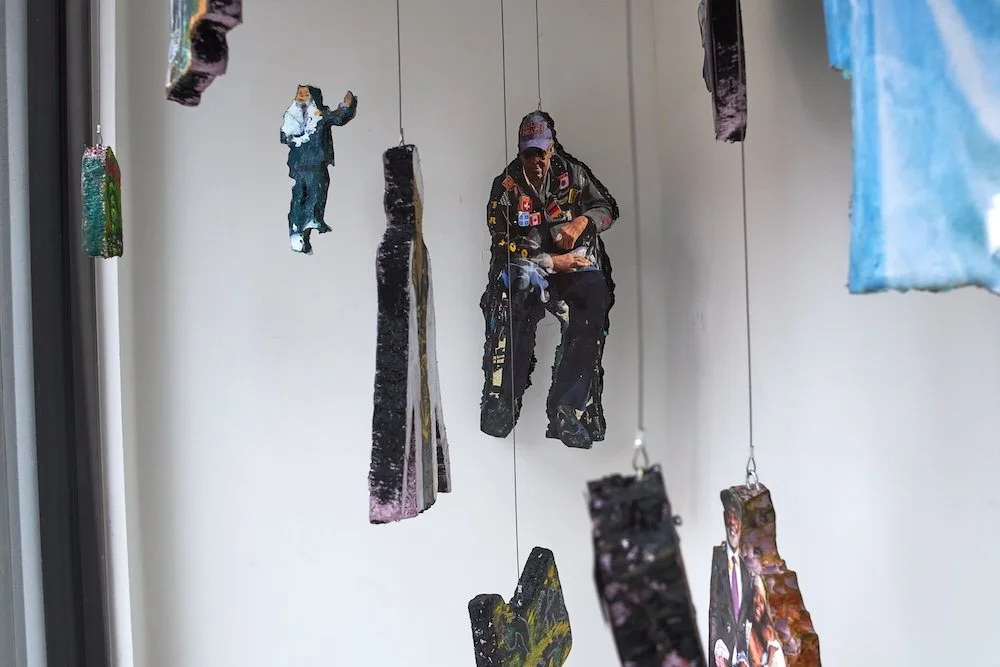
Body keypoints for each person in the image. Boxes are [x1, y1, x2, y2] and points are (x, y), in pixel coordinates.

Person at [479, 111, 618, 449]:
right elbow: (503, 244)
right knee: (517, 299)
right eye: (529, 154)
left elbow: (606, 209)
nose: (536, 162)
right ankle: (506, 398)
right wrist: (550, 261)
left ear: (551, 149)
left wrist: (582, 222)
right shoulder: (506, 187)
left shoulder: (573, 173)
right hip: (528, 269)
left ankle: (567, 408)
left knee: (594, 295)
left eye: (541, 153)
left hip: (572, 268)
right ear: (520, 152)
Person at [279, 85, 358, 253]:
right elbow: (285, 136)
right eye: (300, 93)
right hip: (300, 166)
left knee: (315, 191)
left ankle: (307, 222)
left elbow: (339, 117)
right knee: (301, 195)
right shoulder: (292, 117)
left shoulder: (320, 116)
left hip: (315, 163)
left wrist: (346, 106)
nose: (301, 97)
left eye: (305, 94)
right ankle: (298, 229)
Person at [709, 490, 754, 667]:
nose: (732, 522)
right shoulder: (719, 560)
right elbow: (714, 612)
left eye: (737, 517)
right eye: (729, 516)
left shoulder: (749, 566)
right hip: (723, 651)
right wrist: (715, 649)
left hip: (746, 652)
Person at [745, 575, 787, 667]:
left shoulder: (767, 630)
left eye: (761, 601)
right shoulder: (747, 629)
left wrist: (768, 663)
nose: (757, 604)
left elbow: (772, 649)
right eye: (755, 598)